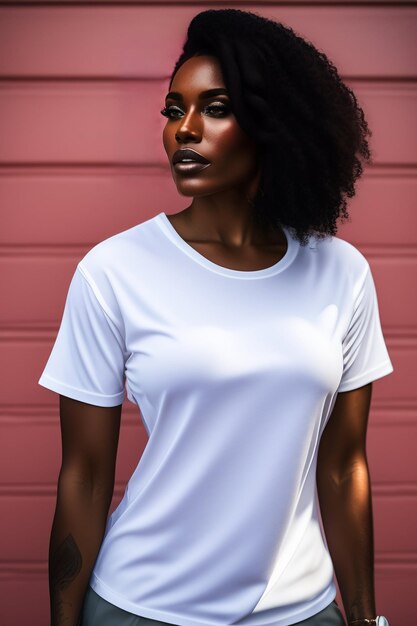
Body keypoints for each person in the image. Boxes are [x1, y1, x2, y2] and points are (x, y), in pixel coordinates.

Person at [38, 9, 394, 626]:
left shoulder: (341, 273)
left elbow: (343, 466)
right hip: (142, 606)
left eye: (217, 107)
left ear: (272, 124)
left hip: (298, 610)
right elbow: (86, 474)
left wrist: (365, 616)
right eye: (174, 110)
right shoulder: (115, 270)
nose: (186, 130)